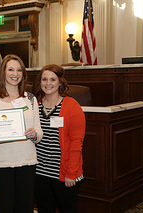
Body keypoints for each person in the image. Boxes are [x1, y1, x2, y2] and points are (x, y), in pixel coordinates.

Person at [0, 54, 42, 213]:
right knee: (3, 207)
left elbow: (39, 132)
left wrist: (34, 134)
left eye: (19, 70)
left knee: (24, 207)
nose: (15, 74)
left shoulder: (31, 99)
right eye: (11, 69)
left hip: (26, 161)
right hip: (1, 164)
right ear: (3, 72)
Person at [32, 64, 86, 213]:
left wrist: (71, 173)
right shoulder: (35, 106)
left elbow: (76, 143)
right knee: (44, 209)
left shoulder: (71, 106)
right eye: (44, 79)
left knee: (67, 209)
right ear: (40, 82)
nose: (48, 83)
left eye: (52, 79)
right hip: (40, 172)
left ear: (60, 82)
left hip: (64, 173)